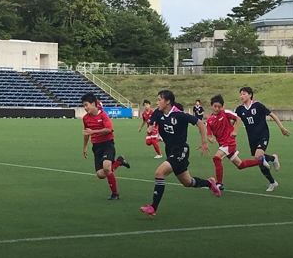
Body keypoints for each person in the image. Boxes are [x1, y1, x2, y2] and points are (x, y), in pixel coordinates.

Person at [140, 90, 220, 218]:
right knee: (187, 182)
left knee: (159, 173)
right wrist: (150, 128)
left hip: (181, 150)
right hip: (170, 150)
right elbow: (152, 123)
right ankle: (210, 183)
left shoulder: (179, 115)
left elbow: (200, 123)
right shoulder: (158, 113)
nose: (157, 102)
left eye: (160, 99)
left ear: (168, 101)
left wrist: (204, 142)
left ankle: (153, 207)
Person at [206, 94, 267, 191]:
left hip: (229, 142)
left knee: (216, 158)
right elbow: (209, 134)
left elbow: (238, 117)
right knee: (240, 165)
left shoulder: (225, 113)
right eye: (215, 106)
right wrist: (210, 138)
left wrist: (235, 130)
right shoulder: (209, 120)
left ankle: (219, 183)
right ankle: (261, 161)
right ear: (211, 106)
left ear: (222, 107)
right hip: (223, 144)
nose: (217, 109)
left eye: (219, 107)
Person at [235, 87, 289, 192]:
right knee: (259, 161)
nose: (241, 96)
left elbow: (272, 115)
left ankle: (270, 162)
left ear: (250, 95)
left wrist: (282, 128)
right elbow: (234, 121)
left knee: (258, 156)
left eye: (244, 94)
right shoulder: (239, 109)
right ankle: (272, 179)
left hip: (263, 134)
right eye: (240, 94)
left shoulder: (258, 105)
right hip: (252, 137)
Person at [82, 92, 130, 200]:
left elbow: (109, 129)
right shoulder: (85, 118)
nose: (85, 108)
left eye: (86, 105)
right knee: (101, 174)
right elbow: (86, 133)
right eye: (83, 105)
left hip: (107, 144)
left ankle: (115, 194)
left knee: (107, 167)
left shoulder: (103, 115)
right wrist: (84, 146)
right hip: (96, 147)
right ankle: (119, 162)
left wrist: (93, 131)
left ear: (93, 104)